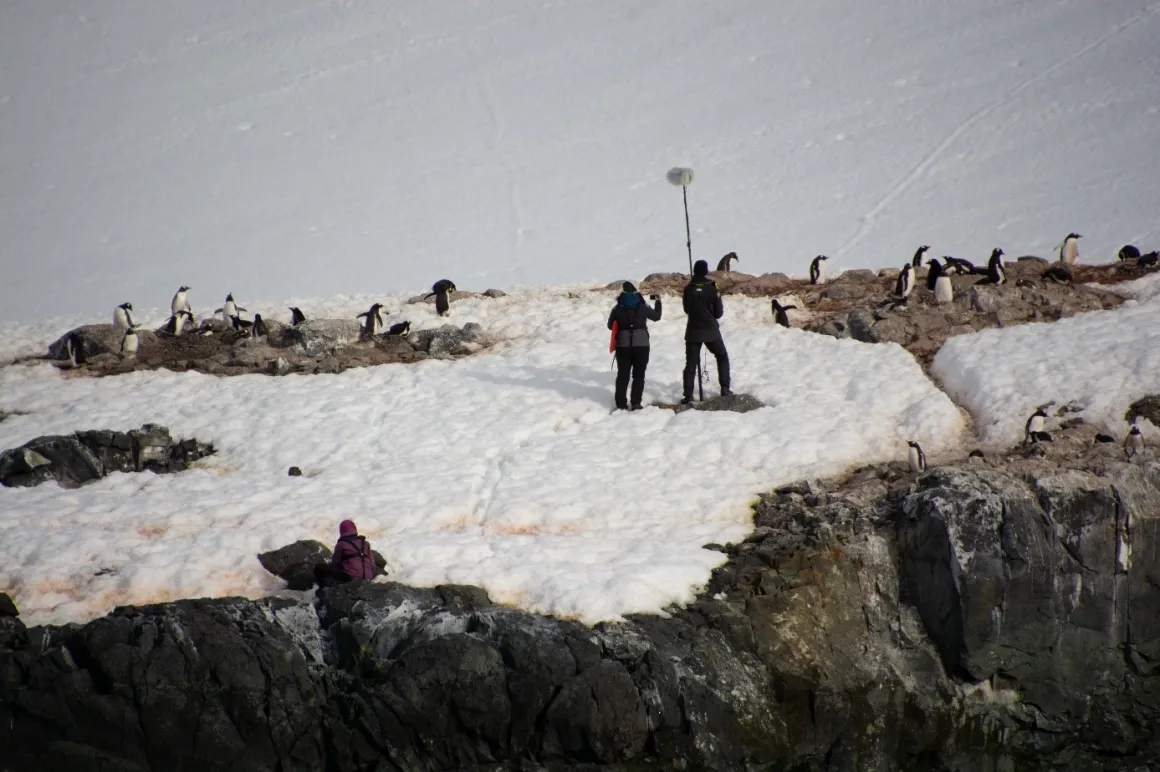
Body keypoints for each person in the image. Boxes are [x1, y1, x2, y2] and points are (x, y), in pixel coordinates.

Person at [682, 259, 731, 404]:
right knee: (721, 356)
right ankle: (725, 387)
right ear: (706, 271)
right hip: (711, 330)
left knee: (691, 363)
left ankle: (688, 395)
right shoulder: (712, 287)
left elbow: (686, 309)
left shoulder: (688, 288)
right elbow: (718, 313)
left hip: (693, 331)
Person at [607, 282, 662, 410]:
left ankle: (621, 404)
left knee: (623, 375)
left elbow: (611, 326)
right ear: (636, 292)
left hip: (623, 345)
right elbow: (656, 317)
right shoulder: (642, 306)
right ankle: (636, 403)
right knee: (639, 375)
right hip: (641, 344)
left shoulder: (617, 308)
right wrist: (658, 302)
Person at [313, 519, 377, 588]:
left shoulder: (341, 544)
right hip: (368, 577)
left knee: (319, 567)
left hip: (352, 578)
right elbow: (372, 565)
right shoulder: (365, 543)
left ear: (341, 531)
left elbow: (336, 563)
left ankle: (322, 590)